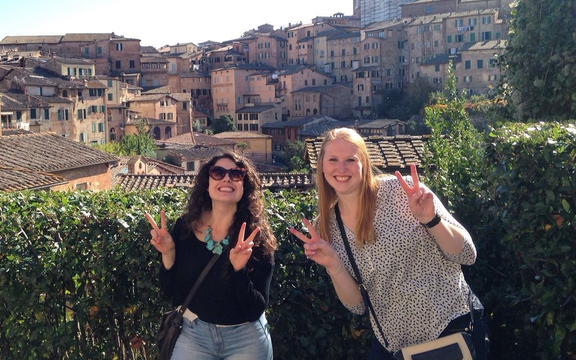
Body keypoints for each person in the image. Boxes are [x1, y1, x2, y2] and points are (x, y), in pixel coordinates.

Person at [289, 128, 488, 360]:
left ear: (364, 162)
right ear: (322, 166)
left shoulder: (401, 191)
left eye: (350, 160)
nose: (341, 168)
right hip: (394, 346)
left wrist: (431, 220)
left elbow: (467, 255)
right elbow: (357, 306)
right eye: (333, 159)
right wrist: (334, 266)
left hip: (449, 329)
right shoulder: (328, 226)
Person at [146, 152, 277, 360]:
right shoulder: (186, 227)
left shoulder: (255, 238)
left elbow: (255, 310)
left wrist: (238, 271)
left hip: (246, 340)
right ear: (207, 183)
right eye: (218, 172)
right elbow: (172, 294)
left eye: (236, 174)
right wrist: (169, 254)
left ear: (244, 186)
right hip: (194, 336)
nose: (226, 178)